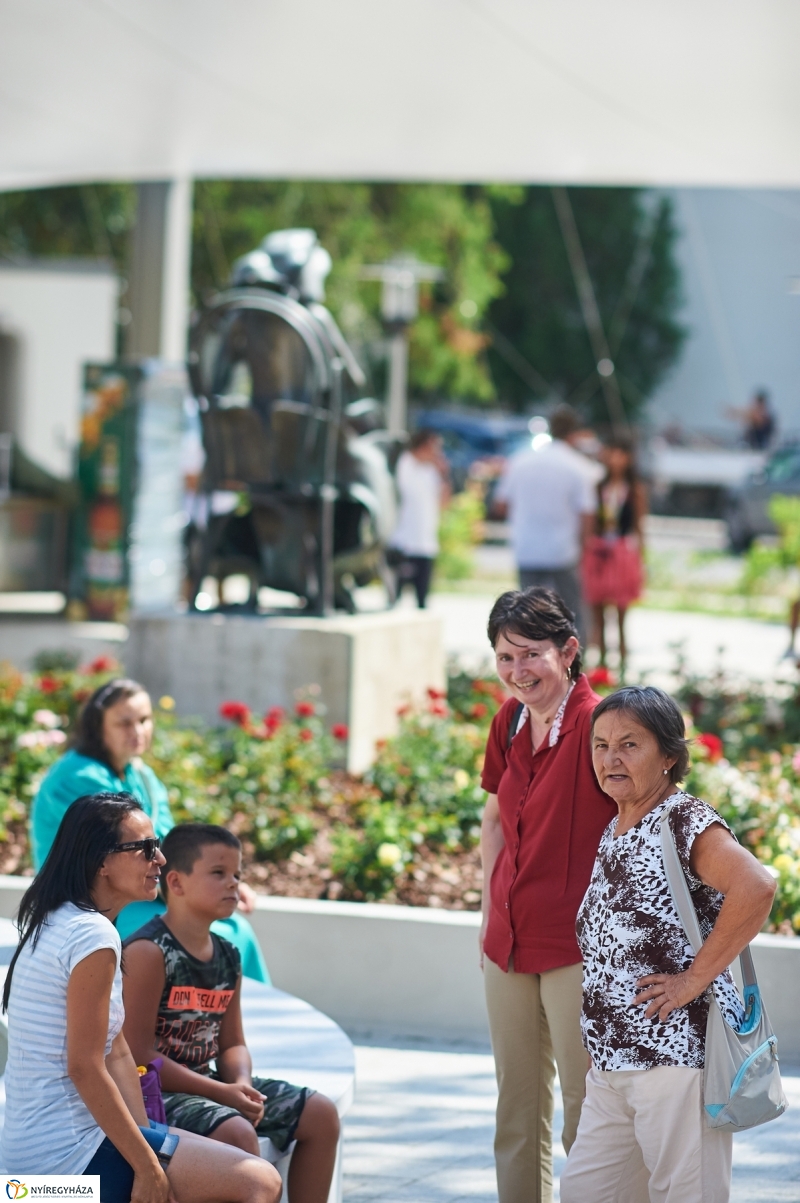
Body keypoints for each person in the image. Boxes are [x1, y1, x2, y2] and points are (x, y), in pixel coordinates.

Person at [1, 791, 281, 1203]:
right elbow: (84, 1066)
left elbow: (116, 1052)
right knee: (259, 1182)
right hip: (57, 1174)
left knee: (223, 1160)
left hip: (33, 1155)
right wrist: (147, 1167)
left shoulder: (56, 918)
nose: (160, 859)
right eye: (146, 848)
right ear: (101, 861)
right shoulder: (91, 935)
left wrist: (145, 1144)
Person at [561, 686, 777, 1203]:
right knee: (585, 1192)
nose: (611, 757)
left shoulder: (682, 819)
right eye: (601, 744)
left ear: (669, 757)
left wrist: (692, 980)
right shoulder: (614, 827)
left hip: (674, 1056)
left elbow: (757, 885)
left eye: (630, 744)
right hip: (613, 1061)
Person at [479, 587, 616, 1203]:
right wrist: (487, 917)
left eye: (530, 654)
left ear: (568, 652)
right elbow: (492, 824)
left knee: (589, 1111)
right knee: (517, 1106)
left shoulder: (603, 726)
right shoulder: (507, 720)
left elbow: (644, 821)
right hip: (506, 942)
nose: (517, 671)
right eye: (504, 657)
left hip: (578, 945)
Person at [122, 823, 340, 1203]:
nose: (233, 884)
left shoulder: (228, 953)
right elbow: (138, 1053)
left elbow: (232, 1041)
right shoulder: (148, 951)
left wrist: (240, 1084)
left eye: (237, 874)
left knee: (320, 1114)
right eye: (218, 873)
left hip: (213, 1083)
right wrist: (223, 1093)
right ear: (175, 882)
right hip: (157, 1094)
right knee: (236, 1132)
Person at [30, 677, 269, 981]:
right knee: (221, 934)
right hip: (90, 907)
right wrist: (203, 885)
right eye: (124, 723)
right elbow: (126, 855)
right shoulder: (78, 776)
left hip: (132, 894)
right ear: (98, 726)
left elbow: (168, 840)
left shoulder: (142, 775)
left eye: (144, 720)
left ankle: (236, 1025)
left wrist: (217, 878)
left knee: (235, 930)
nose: (138, 731)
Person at [493, 406, 596, 644]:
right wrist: (584, 546)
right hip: (564, 551)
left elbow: (500, 505)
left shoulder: (521, 460)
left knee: (528, 613)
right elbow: (587, 515)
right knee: (571, 614)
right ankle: (575, 665)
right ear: (575, 434)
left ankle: (531, 660)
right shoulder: (579, 467)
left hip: (527, 548)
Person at [581, 437, 646, 667]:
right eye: (612, 453)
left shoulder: (634, 490)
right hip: (600, 552)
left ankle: (622, 664)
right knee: (597, 614)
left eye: (621, 454)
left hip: (622, 553)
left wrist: (642, 560)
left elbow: (639, 526)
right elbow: (588, 522)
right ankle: (600, 663)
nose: (615, 460)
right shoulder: (598, 487)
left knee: (621, 614)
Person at [389, 427, 451, 608]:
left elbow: (443, 503)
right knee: (395, 599)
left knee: (422, 600)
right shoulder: (403, 464)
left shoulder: (431, 472)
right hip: (402, 539)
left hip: (425, 541)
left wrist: (444, 476)